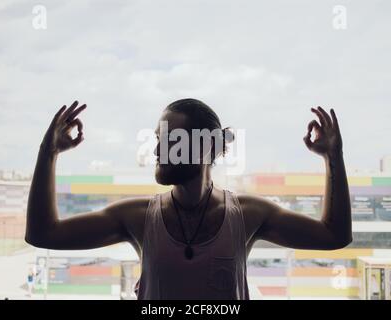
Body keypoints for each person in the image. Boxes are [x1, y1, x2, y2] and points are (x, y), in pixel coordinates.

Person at [25, 98, 352, 299]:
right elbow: (43, 234)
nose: (156, 150)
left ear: (206, 148)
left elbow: (334, 235)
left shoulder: (248, 214)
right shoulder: (137, 217)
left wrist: (333, 156)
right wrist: (48, 152)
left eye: (168, 140)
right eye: (157, 139)